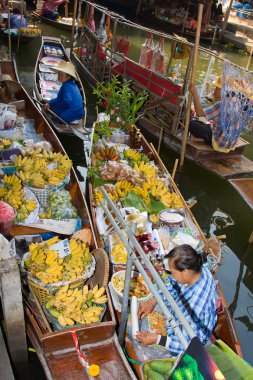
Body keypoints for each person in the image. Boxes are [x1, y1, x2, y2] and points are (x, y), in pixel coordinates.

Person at [136, 244, 217, 356]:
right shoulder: (197, 269)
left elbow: (190, 345)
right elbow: (173, 284)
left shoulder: (196, 306)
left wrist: (158, 339)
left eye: (173, 273)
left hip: (188, 342)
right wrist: (153, 300)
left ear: (186, 272)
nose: (172, 276)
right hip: (181, 319)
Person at [189, 77, 241, 153]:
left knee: (192, 124)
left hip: (220, 143)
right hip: (232, 143)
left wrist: (195, 94)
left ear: (223, 90)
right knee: (205, 123)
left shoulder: (221, 105)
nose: (214, 91)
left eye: (217, 88)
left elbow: (201, 115)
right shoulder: (237, 101)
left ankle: (205, 140)